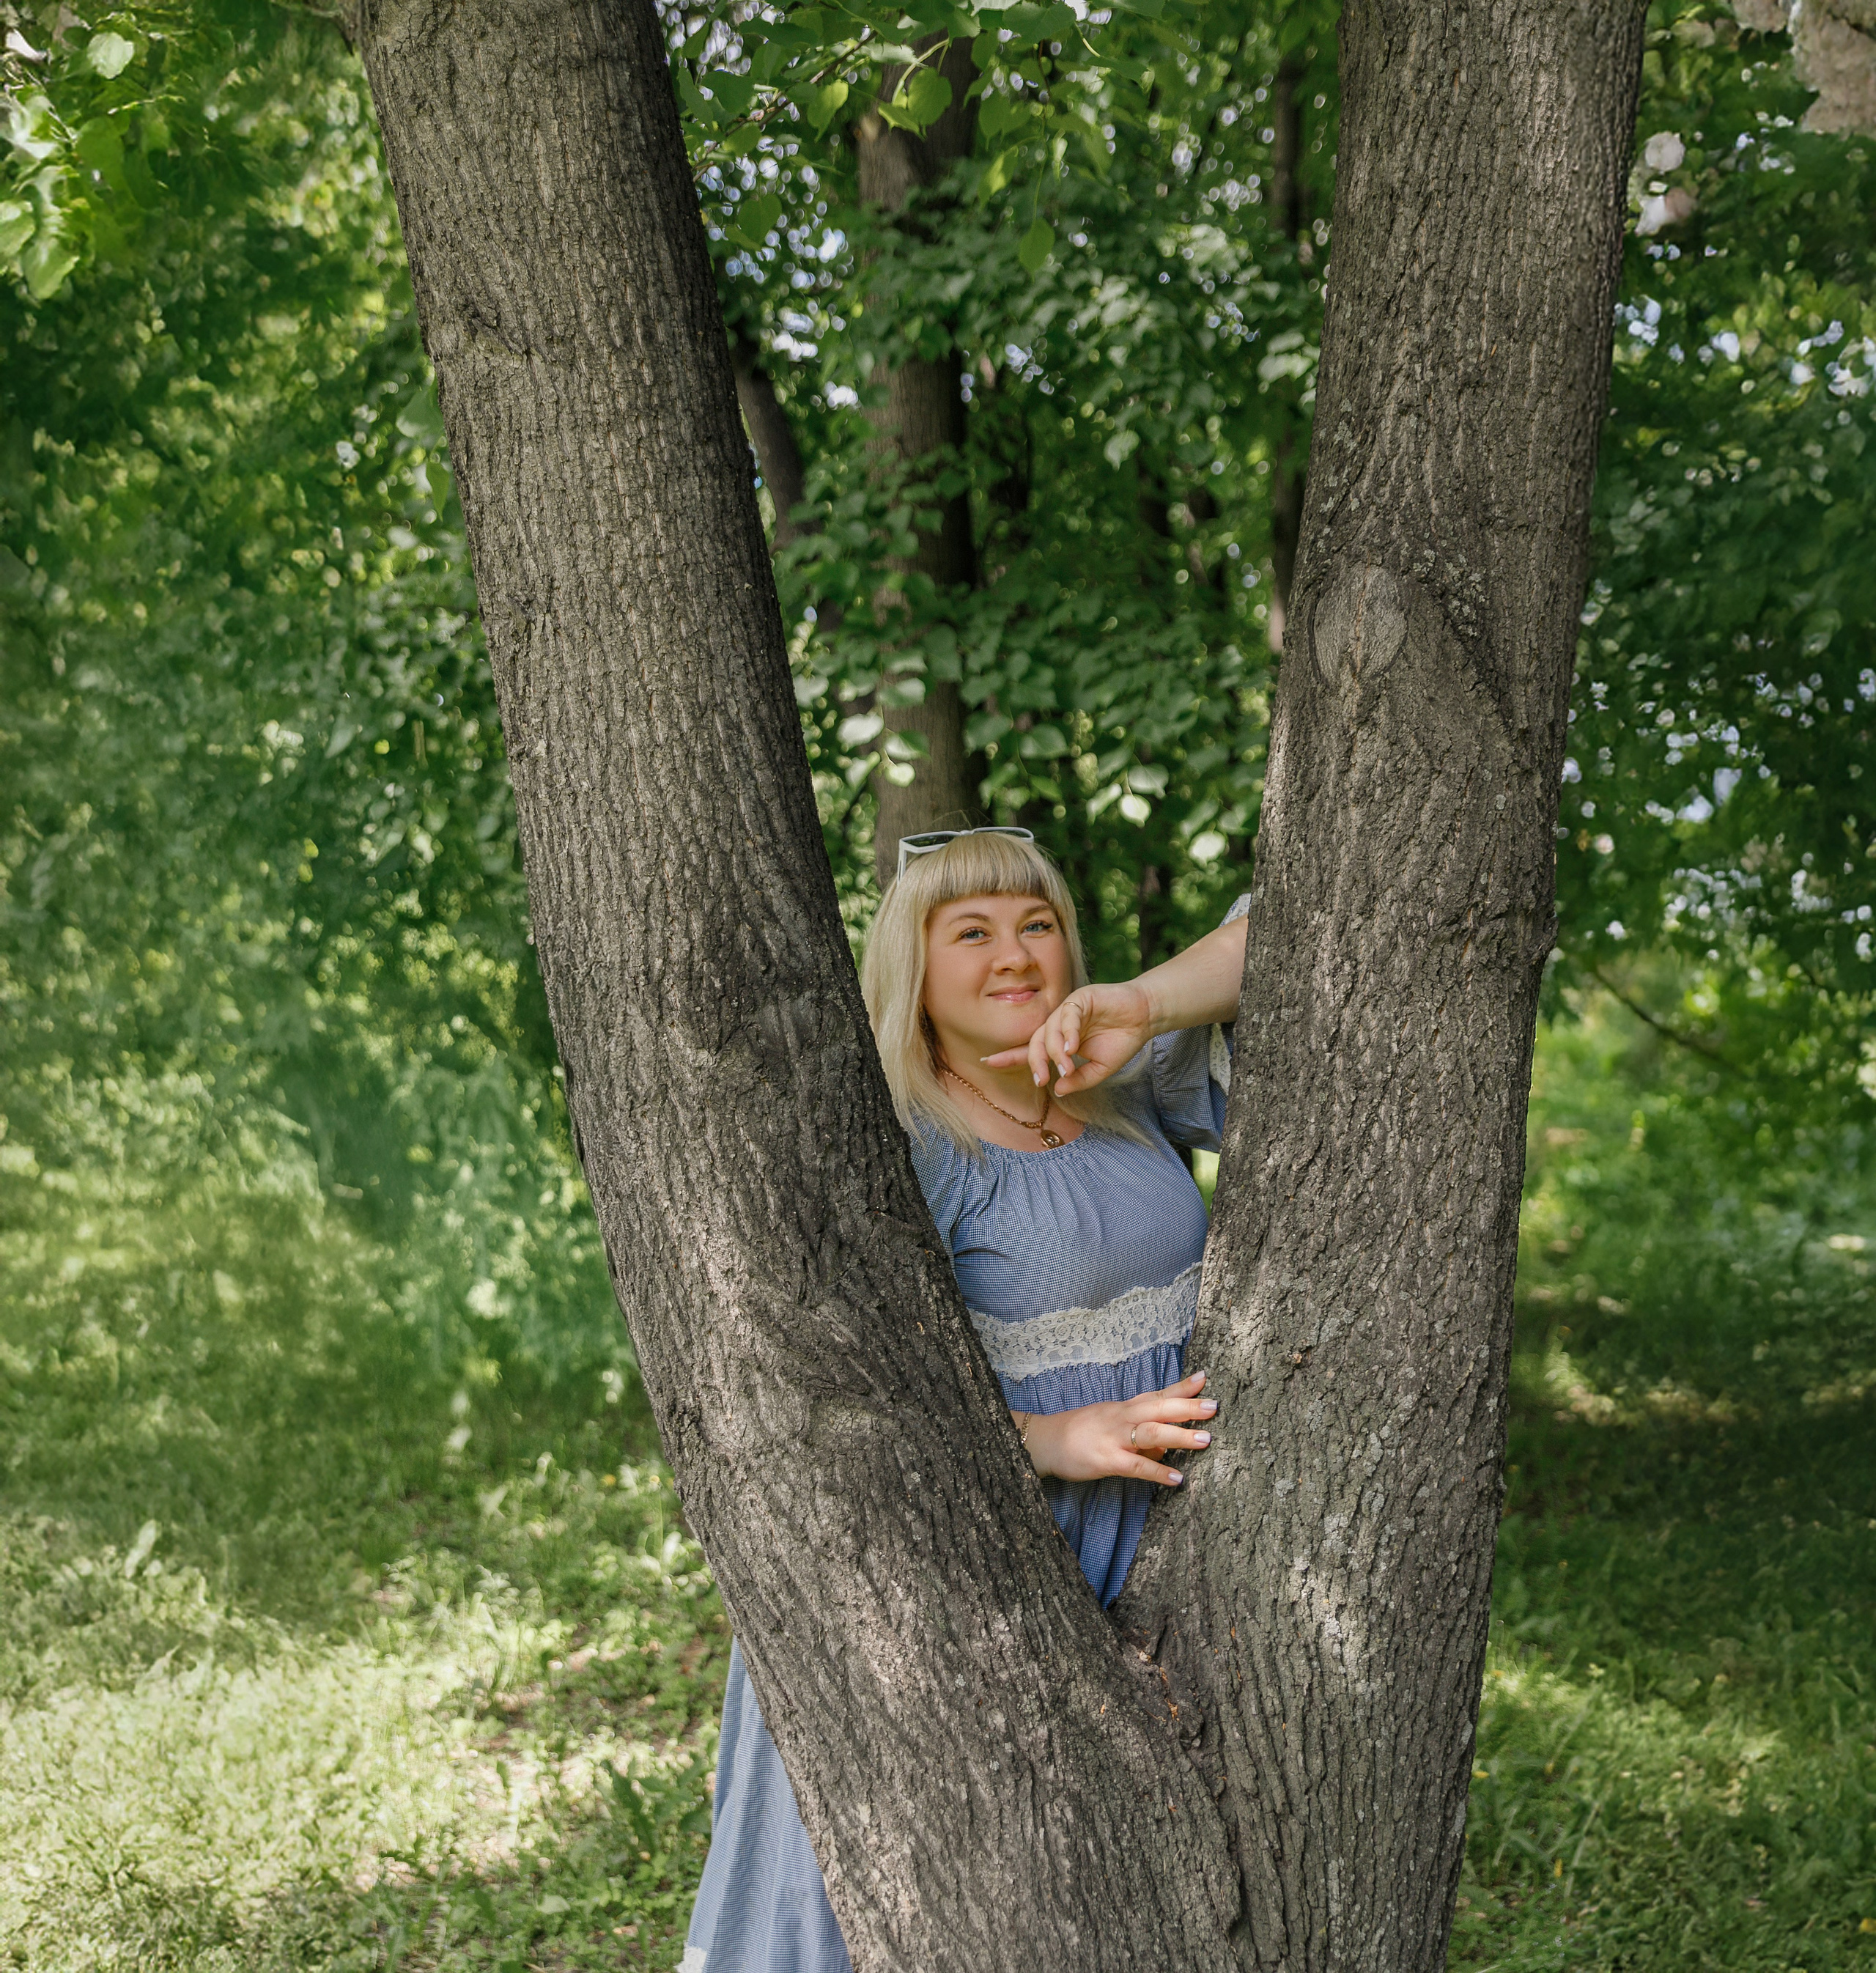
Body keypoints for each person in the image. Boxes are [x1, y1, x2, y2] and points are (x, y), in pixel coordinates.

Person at [680, 826, 1249, 1973]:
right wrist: (1050, 1437)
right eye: (971, 931)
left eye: (1037, 923)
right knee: (919, 1884)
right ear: (914, 969)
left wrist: (1135, 1002)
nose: (1015, 954)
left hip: (1159, 1543)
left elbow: (1288, 934)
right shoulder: (900, 1142)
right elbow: (841, 1397)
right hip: (980, 1552)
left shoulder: (1118, 1077)